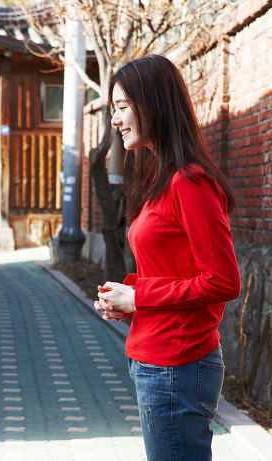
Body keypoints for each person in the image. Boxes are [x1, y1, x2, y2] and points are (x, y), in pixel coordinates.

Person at [94, 54, 240, 461]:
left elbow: (223, 281)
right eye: (112, 109)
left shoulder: (190, 182)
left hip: (179, 363)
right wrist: (128, 296)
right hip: (158, 358)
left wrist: (140, 298)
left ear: (152, 103)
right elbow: (176, 271)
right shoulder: (163, 179)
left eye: (122, 107)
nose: (115, 120)